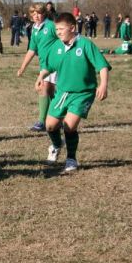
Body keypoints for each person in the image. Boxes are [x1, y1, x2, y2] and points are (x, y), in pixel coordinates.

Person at [37, 12, 111, 174]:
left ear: (72, 27)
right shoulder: (56, 46)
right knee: (50, 126)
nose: (58, 32)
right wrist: (41, 76)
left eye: (61, 29)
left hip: (83, 93)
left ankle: (71, 158)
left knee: (69, 126)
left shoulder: (85, 44)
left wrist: (103, 85)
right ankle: (56, 146)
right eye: (56, 29)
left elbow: (102, 66)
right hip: (63, 92)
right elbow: (49, 66)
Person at [17, 3, 59, 131]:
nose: (36, 16)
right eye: (34, 14)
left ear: (44, 14)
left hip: (55, 64)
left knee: (51, 91)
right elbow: (32, 50)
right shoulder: (34, 29)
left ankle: (49, 120)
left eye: (39, 13)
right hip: (44, 65)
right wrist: (22, 68)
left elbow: (63, 39)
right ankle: (46, 121)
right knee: (46, 90)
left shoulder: (51, 26)